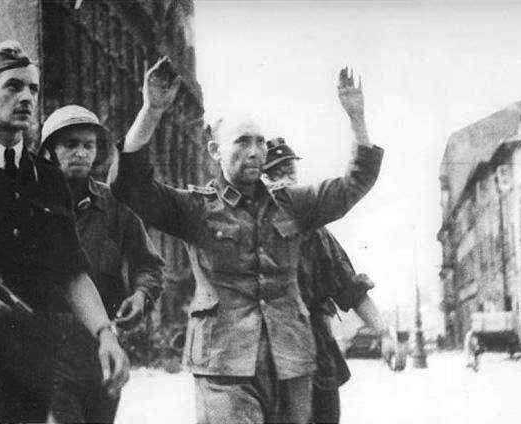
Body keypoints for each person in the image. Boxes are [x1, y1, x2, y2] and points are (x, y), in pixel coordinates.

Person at [112, 58, 384, 424]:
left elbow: (354, 184)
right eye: (243, 141)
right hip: (224, 364)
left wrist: (357, 118)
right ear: (214, 150)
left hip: (292, 361)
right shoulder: (195, 209)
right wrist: (151, 111)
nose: (256, 151)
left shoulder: (293, 204)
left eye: (261, 143)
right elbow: (133, 187)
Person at [0, 40, 129, 422]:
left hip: (28, 369)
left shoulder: (46, 178)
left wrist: (104, 333)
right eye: (13, 86)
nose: (27, 97)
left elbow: (71, 271)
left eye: (33, 88)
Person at [38, 105, 165, 422]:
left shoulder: (116, 207)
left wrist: (141, 295)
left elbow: (148, 265)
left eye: (88, 145)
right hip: (47, 352)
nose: (80, 153)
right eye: (70, 145)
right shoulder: (32, 204)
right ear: (50, 152)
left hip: (103, 350)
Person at [263, 137, 397, 423]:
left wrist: (384, 333)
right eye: (275, 173)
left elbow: (349, 287)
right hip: (262, 351)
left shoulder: (314, 231)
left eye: (289, 172)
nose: (285, 180)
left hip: (313, 343)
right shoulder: (243, 225)